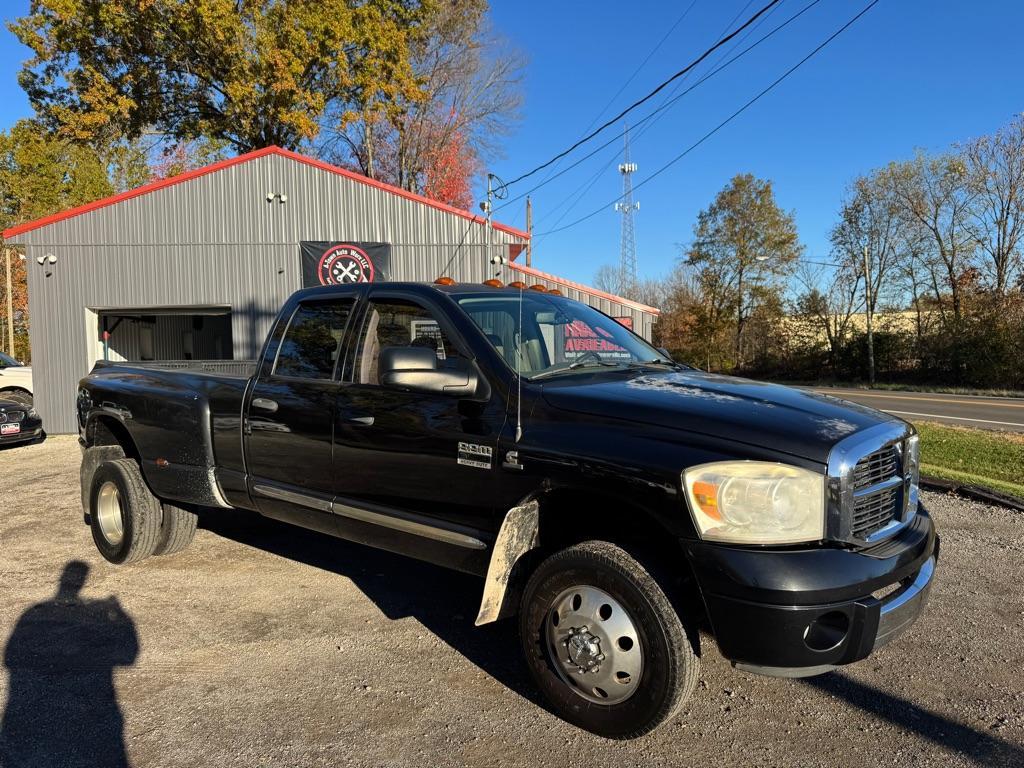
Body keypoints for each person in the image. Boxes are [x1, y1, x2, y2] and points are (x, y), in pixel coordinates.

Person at [1, 561, 138, 768]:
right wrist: (120, 615)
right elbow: (128, 656)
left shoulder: (32, 614)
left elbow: (11, 657)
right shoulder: (35, 615)